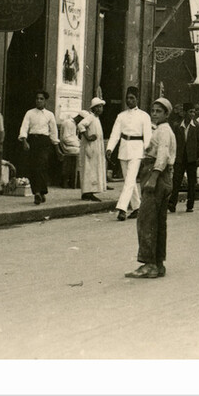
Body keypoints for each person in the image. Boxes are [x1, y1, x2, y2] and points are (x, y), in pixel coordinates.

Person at [125, 97, 176, 279]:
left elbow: (162, 155)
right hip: (162, 176)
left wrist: (153, 178)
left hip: (156, 175)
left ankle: (149, 264)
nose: (154, 114)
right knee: (158, 222)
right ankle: (158, 263)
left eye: (159, 111)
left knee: (146, 220)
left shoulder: (163, 131)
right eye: (153, 110)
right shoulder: (162, 130)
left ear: (166, 114)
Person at [106, 86, 154, 221]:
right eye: (127, 98)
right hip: (123, 149)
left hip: (137, 150)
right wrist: (109, 149)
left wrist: (147, 153)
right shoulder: (121, 116)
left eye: (132, 98)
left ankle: (122, 208)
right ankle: (137, 207)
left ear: (137, 99)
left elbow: (148, 136)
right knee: (129, 180)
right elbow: (115, 134)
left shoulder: (144, 116)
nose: (129, 101)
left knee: (129, 180)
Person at [18, 90, 60, 205]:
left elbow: (53, 132)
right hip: (33, 141)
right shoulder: (30, 113)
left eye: (41, 99)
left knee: (42, 165)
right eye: (37, 98)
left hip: (44, 142)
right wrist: (24, 141)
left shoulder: (49, 115)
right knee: (33, 166)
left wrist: (57, 147)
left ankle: (42, 191)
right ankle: (37, 192)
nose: (39, 101)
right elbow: (24, 127)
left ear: (45, 101)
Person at [168, 102, 199, 214]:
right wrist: (172, 156)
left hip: (192, 158)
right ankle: (172, 203)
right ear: (184, 113)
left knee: (192, 182)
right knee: (176, 181)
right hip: (180, 158)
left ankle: (190, 204)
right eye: (190, 112)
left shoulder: (197, 127)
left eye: (194, 112)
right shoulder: (177, 126)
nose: (192, 114)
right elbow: (173, 142)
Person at [77, 98, 106, 201]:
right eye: (98, 107)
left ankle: (90, 191)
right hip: (90, 147)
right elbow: (80, 125)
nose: (100, 109)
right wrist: (88, 137)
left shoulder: (96, 119)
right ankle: (87, 192)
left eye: (101, 107)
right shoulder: (90, 117)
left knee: (93, 169)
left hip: (95, 148)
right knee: (89, 169)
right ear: (94, 108)